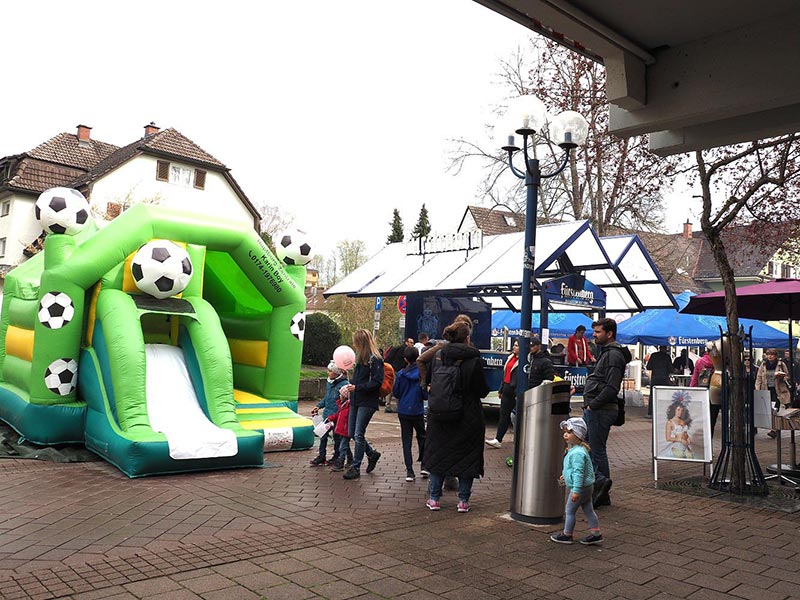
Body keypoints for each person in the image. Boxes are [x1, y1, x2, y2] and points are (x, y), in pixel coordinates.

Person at [422, 320, 489, 512]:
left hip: (440, 415)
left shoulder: (437, 356)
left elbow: (428, 380)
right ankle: (463, 502)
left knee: (438, 455)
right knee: (467, 457)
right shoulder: (474, 360)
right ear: (467, 338)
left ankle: (434, 499)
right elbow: (482, 390)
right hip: (468, 416)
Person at [582, 317, 631, 508]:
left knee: (594, 449)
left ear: (609, 334)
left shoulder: (613, 355)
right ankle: (602, 492)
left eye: (598, 332)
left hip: (600, 409)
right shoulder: (608, 353)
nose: (594, 335)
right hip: (599, 408)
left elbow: (611, 386)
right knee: (592, 448)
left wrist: (593, 405)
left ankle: (601, 484)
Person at [550, 417, 603, 545]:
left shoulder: (577, 453)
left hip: (580, 488)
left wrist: (576, 491)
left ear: (578, 435)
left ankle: (567, 534)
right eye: (565, 432)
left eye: (569, 432)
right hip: (587, 487)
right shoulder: (577, 450)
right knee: (588, 509)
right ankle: (596, 534)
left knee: (569, 511)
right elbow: (573, 470)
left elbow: (579, 472)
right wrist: (565, 476)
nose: (565, 435)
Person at [340, 329, 384, 480]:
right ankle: (371, 454)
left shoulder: (375, 359)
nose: (354, 345)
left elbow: (377, 382)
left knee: (358, 433)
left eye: (356, 342)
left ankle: (356, 466)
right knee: (352, 432)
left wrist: (357, 387)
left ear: (361, 343)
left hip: (367, 401)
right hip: (356, 399)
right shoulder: (360, 358)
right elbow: (359, 380)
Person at [393, 346, 426, 481]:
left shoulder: (401, 374)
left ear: (405, 359)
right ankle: (424, 465)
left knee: (406, 440)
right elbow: (425, 394)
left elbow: (396, 392)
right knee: (422, 436)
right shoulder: (421, 374)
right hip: (417, 410)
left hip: (404, 410)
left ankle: (409, 471)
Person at [309, 361, 349, 466]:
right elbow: (327, 397)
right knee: (323, 435)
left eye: (330, 371)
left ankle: (337, 456)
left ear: (336, 372)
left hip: (337, 415)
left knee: (337, 436)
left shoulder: (344, 384)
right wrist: (319, 405)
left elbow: (344, 401)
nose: (328, 372)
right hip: (327, 414)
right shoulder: (329, 383)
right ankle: (321, 456)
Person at [485, 341, 519, 449]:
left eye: (517, 345)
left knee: (516, 417)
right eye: (514, 345)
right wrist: (501, 389)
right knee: (503, 415)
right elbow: (505, 375)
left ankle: (518, 440)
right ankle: (498, 439)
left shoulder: (524, 360)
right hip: (506, 390)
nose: (514, 347)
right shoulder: (510, 358)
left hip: (515, 392)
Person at [757, 348, 791, 439]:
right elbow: (759, 377)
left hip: (777, 391)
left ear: (775, 356)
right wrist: (758, 389)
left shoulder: (781, 364)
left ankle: (774, 429)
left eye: (772, 354)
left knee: (775, 409)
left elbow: (787, 376)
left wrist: (781, 376)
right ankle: (774, 427)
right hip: (766, 389)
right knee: (769, 410)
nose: (770, 356)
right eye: (768, 354)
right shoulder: (763, 365)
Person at [328, 385, 354, 472]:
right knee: (345, 446)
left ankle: (340, 462)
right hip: (342, 429)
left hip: (345, 430)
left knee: (342, 447)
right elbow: (338, 415)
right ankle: (350, 459)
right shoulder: (342, 405)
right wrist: (331, 418)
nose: (339, 396)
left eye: (341, 395)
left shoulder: (348, 407)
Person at [645, 346, 672, 417]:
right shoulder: (667, 357)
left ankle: (650, 413)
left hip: (655, 378)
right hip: (664, 378)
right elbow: (670, 369)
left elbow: (648, 367)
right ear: (665, 349)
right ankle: (663, 412)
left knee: (652, 395)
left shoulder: (653, 355)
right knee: (664, 395)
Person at [383, 339, 407, 413]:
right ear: (406, 342)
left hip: (393, 370)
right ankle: (397, 406)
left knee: (391, 388)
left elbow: (387, 359)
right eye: (411, 342)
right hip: (397, 371)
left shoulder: (394, 349)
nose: (412, 344)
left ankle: (388, 405)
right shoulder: (404, 350)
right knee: (397, 387)